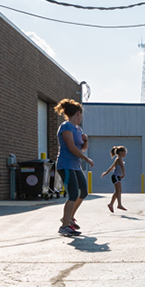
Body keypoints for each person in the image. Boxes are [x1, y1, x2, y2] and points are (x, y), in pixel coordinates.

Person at [55, 99, 92, 236]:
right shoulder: (66, 127)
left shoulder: (78, 129)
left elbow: (82, 147)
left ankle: (69, 218)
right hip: (66, 165)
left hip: (75, 166)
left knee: (83, 192)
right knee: (73, 194)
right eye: (81, 115)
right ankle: (64, 226)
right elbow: (71, 147)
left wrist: (86, 141)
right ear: (77, 113)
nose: (81, 118)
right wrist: (86, 158)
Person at [101, 145, 127, 213]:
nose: (125, 154)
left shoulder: (117, 159)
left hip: (116, 176)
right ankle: (119, 204)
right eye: (124, 152)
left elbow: (111, 167)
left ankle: (111, 204)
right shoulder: (119, 159)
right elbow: (122, 166)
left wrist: (106, 173)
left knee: (117, 191)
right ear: (121, 152)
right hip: (116, 176)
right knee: (119, 190)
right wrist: (124, 174)